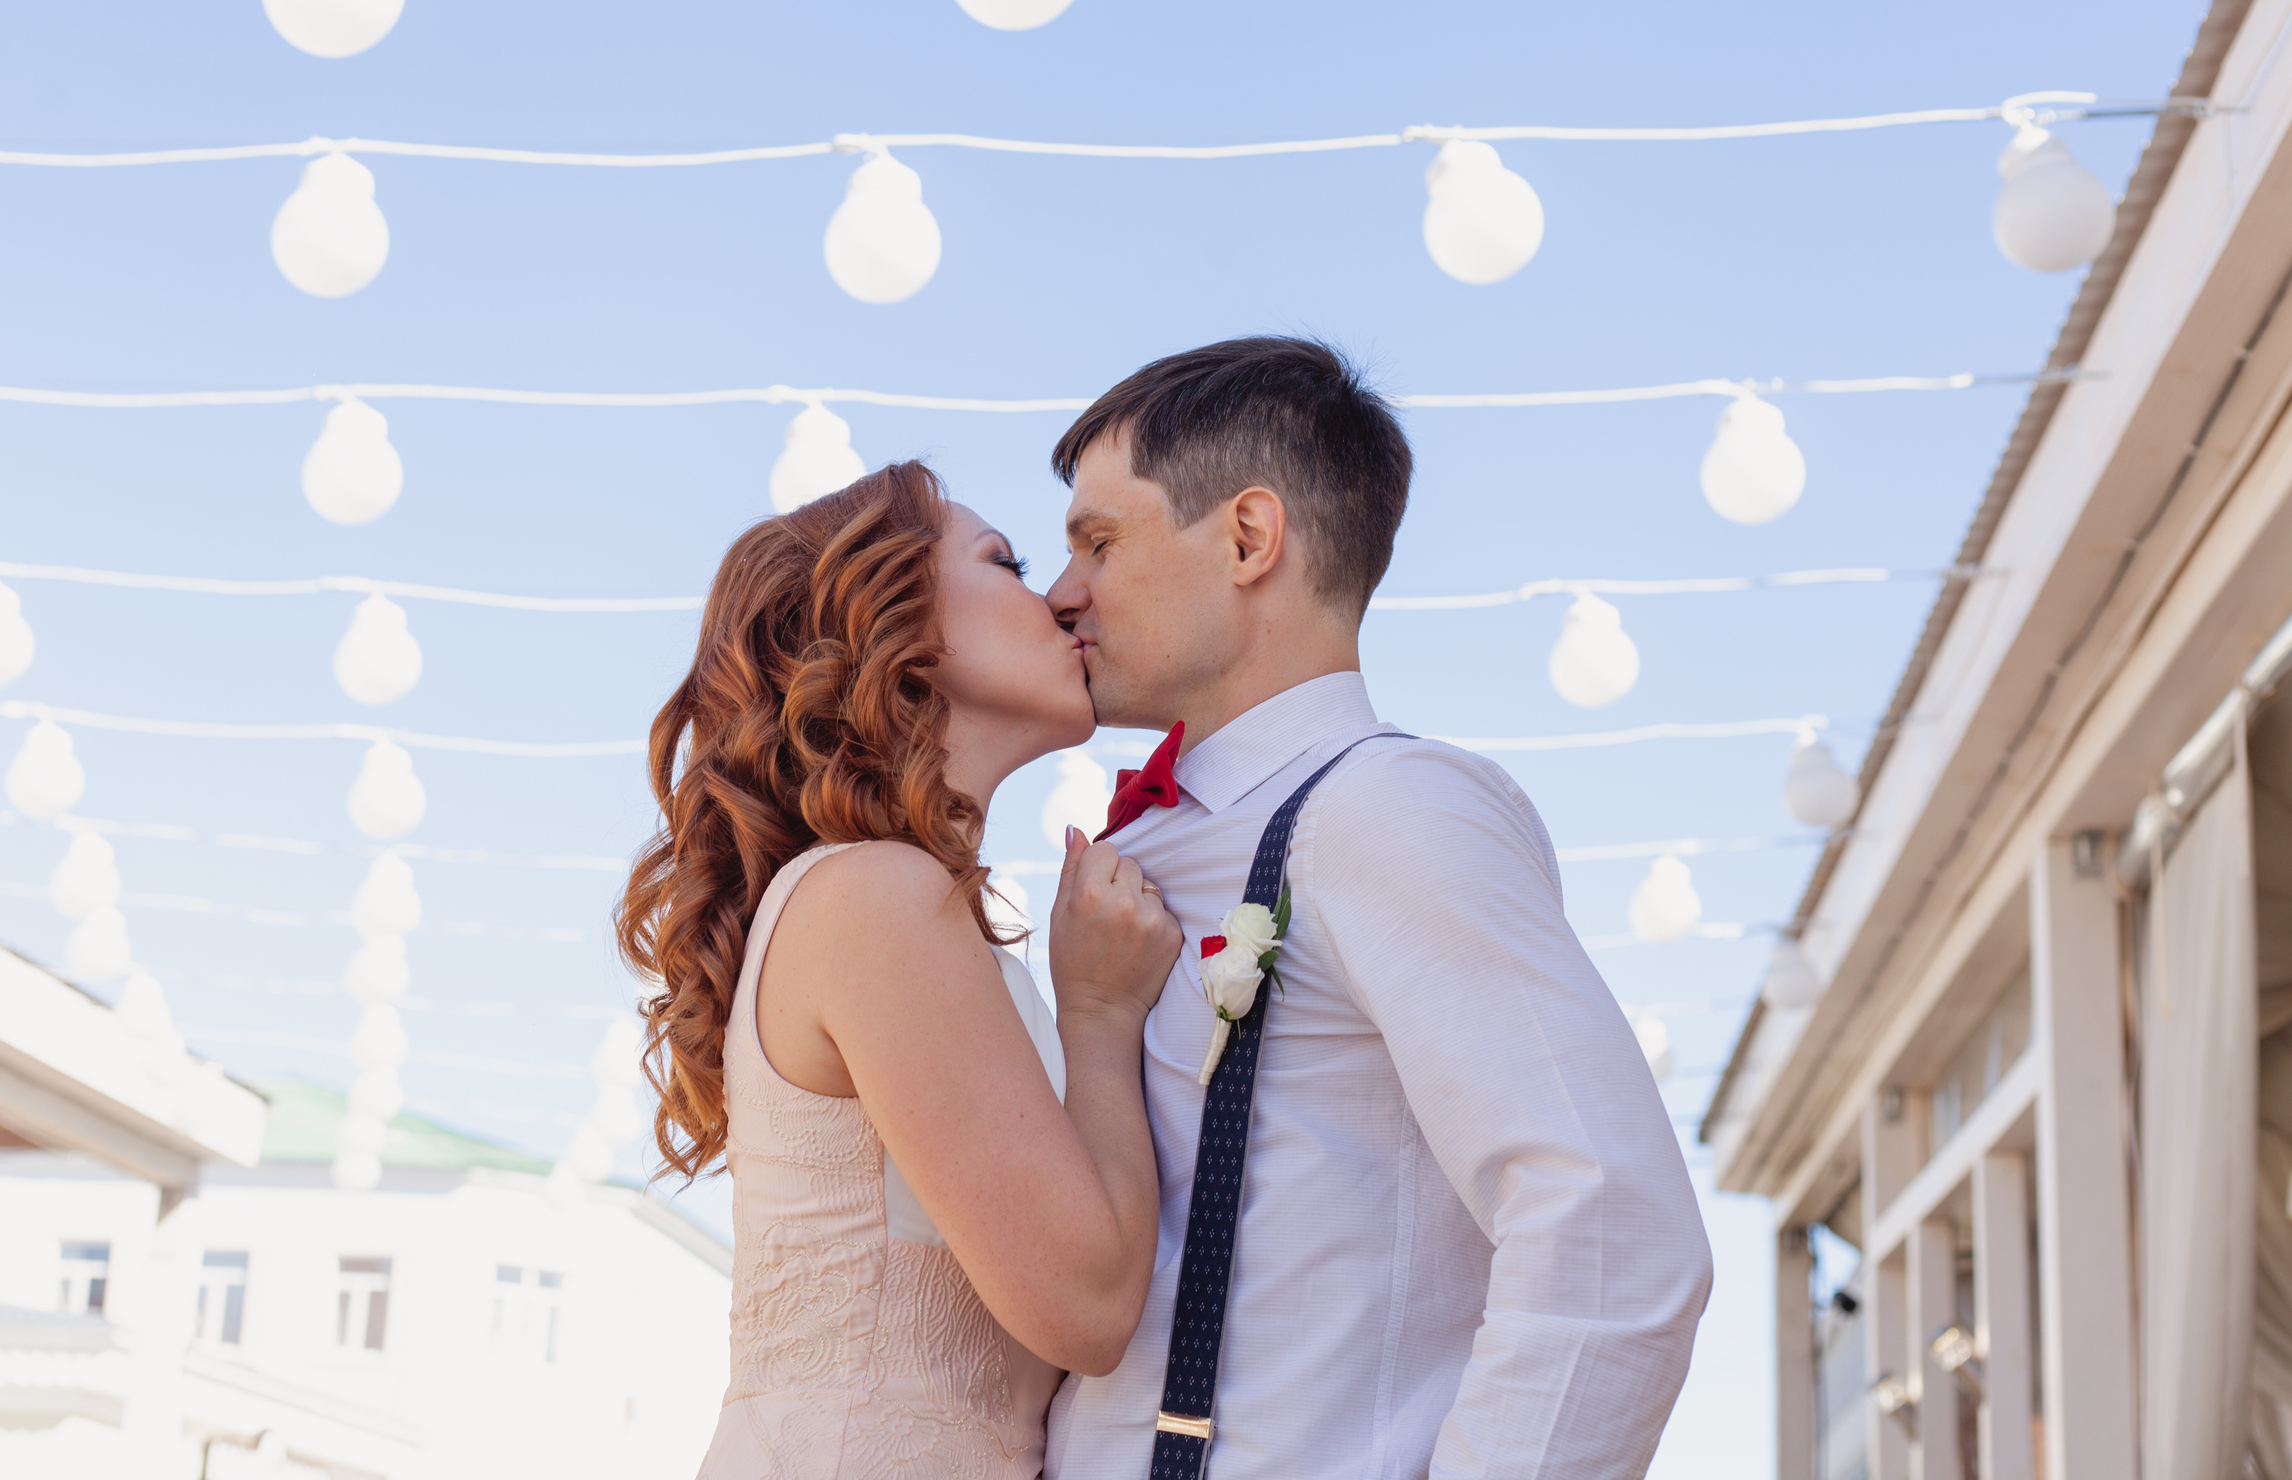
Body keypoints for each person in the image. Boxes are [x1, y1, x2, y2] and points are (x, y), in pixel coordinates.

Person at [1040, 336, 1712, 1479]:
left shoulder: (1387, 810)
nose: (1062, 595)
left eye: (1100, 543)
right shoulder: (1145, 842)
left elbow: (1609, 1228)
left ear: (1250, 538)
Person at [617, 460, 1184, 1480]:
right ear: (892, 620)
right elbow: (1087, 1308)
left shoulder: (884, 901)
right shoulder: (873, 896)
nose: (1058, 596)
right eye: (1003, 562)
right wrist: (1099, 1016)